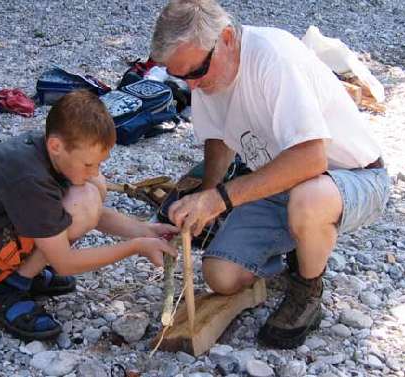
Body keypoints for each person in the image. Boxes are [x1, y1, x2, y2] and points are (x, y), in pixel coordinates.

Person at [151, 0, 390, 349]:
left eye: (196, 72)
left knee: (308, 201)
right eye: (180, 76)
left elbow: (311, 159)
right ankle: (299, 246)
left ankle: (308, 288)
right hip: (282, 183)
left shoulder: (274, 58)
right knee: (220, 275)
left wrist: (220, 199)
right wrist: (207, 199)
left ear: (228, 37)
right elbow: (218, 140)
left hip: (353, 177)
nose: (193, 86)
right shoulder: (207, 74)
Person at [0, 90, 178, 341]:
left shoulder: (50, 153)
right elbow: (65, 262)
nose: (94, 170)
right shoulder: (30, 177)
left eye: (98, 163)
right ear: (56, 145)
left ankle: (27, 271)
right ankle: (7, 295)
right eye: (88, 164)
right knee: (83, 201)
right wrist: (135, 246)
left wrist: (145, 231)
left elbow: (94, 214)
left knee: (93, 188)